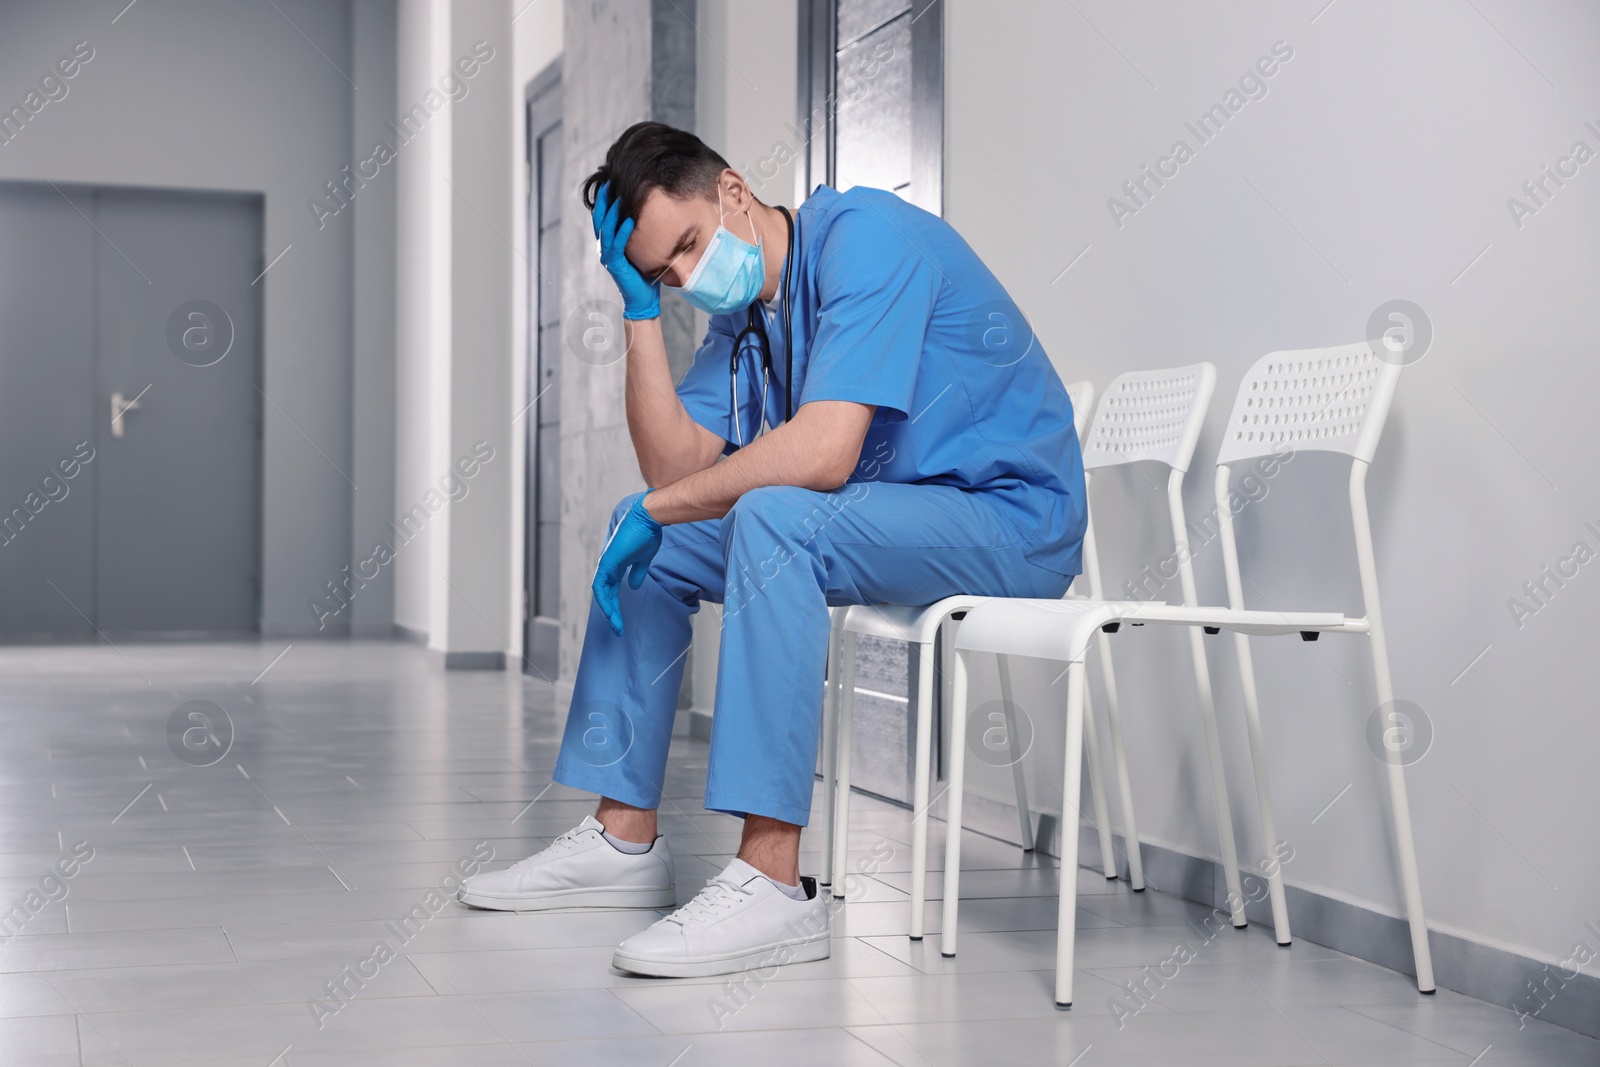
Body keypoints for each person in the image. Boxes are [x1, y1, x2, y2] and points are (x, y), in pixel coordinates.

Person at [459, 121, 1086, 979]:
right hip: (902, 519)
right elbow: (672, 467)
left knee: (771, 515)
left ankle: (772, 883)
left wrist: (664, 501)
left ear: (733, 190)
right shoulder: (750, 313)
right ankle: (623, 838)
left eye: (685, 247)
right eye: (663, 275)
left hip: (1008, 522)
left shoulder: (868, 241)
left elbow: (823, 452)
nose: (687, 278)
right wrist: (639, 315)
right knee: (648, 532)